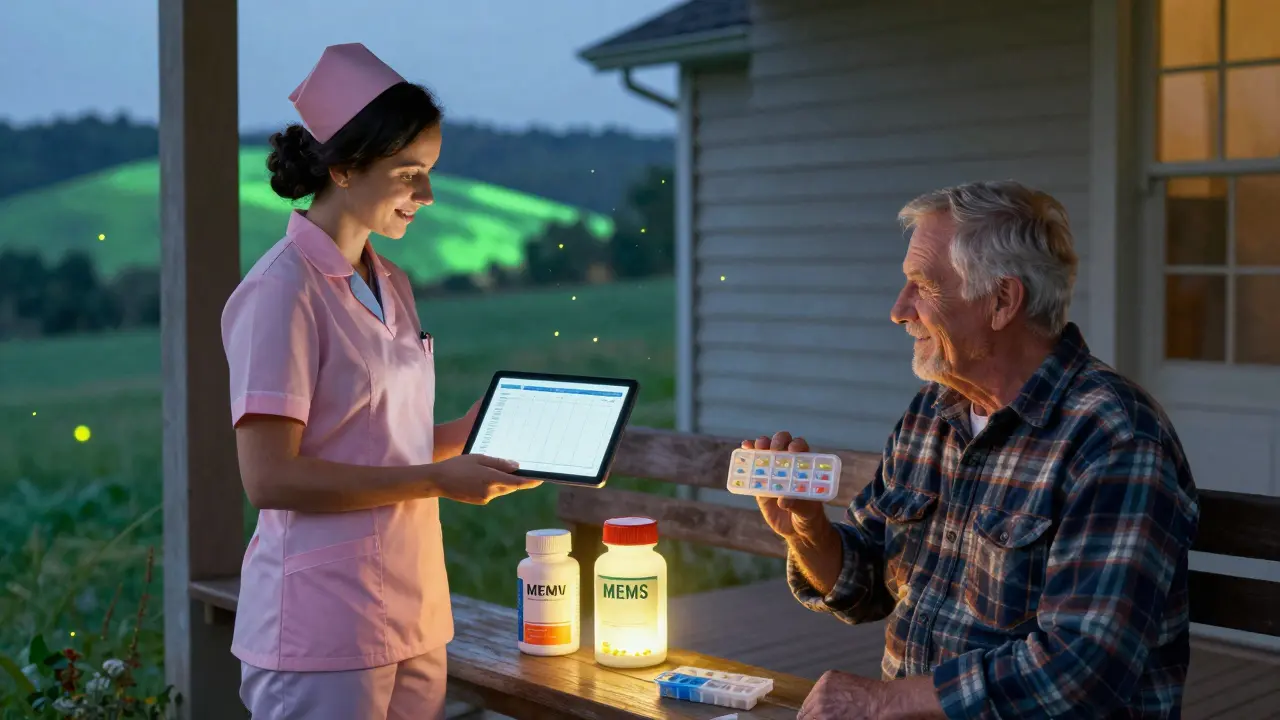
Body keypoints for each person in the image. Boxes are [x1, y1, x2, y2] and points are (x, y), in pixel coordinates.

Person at [748, 181, 1200, 719]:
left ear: (1003, 300)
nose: (898, 310)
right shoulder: (934, 412)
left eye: (922, 285)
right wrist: (808, 532)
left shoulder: (1114, 437)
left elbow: (1083, 670)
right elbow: (865, 584)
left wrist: (879, 701)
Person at [220, 43, 541, 719]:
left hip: (413, 612)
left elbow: (378, 441)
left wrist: (473, 431)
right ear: (342, 168)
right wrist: (435, 482)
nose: (425, 196)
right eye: (408, 174)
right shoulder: (282, 293)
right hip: (323, 626)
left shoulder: (389, 281)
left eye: (428, 173)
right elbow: (271, 478)